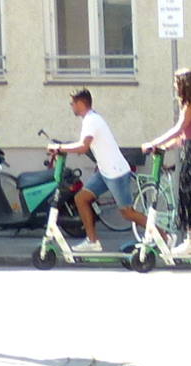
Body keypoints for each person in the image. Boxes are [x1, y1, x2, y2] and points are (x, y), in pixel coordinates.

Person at [143, 68, 191, 257]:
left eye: (176, 83)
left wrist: (154, 142)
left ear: (183, 85)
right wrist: (165, 147)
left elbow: (178, 130)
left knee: (190, 195)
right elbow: (184, 137)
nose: (174, 86)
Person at [47, 88, 134, 252]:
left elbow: (83, 146)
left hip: (116, 173)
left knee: (128, 213)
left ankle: (164, 237)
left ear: (81, 103)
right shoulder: (90, 119)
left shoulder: (92, 120)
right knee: (81, 198)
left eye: (72, 103)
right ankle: (92, 241)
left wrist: (60, 148)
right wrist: (63, 148)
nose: (71, 106)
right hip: (104, 172)